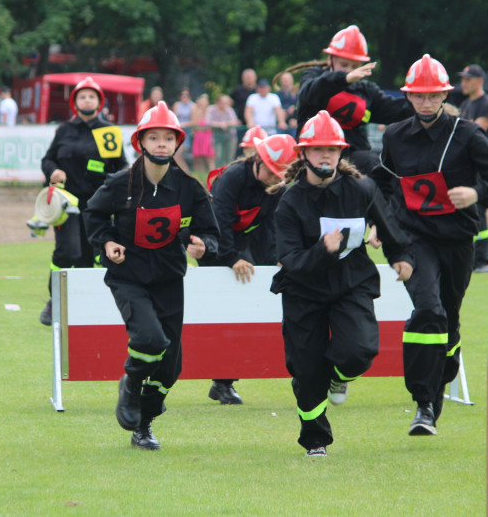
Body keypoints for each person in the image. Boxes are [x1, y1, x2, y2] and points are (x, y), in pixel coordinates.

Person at [373, 55, 488, 436]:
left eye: (432, 95)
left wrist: (477, 193)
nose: (425, 103)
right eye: (418, 96)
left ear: (444, 94)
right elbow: (383, 185)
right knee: (428, 310)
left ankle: (443, 372)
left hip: (456, 240)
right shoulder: (394, 136)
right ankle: (423, 403)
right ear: (408, 96)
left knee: (448, 321)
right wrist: (378, 223)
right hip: (413, 238)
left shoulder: (467, 134)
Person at [272, 110, 414, 456]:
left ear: (341, 152)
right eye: (318, 149)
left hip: (352, 283)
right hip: (302, 290)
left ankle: (339, 375)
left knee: (359, 351)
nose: (326, 156)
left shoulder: (361, 188)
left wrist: (401, 256)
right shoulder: (289, 202)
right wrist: (322, 250)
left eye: (332, 150)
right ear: (303, 153)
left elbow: (389, 223)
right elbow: (291, 261)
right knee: (306, 370)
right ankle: (315, 439)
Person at [82, 100, 220, 451]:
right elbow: (93, 215)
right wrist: (107, 242)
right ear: (140, 143)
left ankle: (144, 424)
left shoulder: (190, 187)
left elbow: (212, 233)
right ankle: (129, 383)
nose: (161, 144)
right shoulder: (119, 183)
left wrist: (205, 246)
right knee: (150, 339)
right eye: (154, 137)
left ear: (177, 143)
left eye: (168, 138)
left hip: (170, 278)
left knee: (171, 368)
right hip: (127, 277)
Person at [199, 132, 299, 406]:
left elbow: (271, 225)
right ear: (258, 159)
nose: (275, 178)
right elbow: (218, 221)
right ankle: (219, 379)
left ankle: (223, 382)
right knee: (222, 312)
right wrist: (232, 259)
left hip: (245, 244)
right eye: (272, 171)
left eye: (281, 174)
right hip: (214, 243)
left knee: (243, 311)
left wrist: (276, 259)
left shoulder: (276, 186)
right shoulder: (232, 178)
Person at [37, 77, 128, 326]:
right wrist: (53, 171)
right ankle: (54, 300)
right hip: (66, 205)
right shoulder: (64, 130)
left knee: (92, 256)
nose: (87, 100)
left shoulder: (107, 131)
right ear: (74, 102)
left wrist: (110, 188)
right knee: (67, 252)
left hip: (97, 206)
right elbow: (47, 160)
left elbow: (121, 168)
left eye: (91, 96)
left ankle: (88, 306)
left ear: (99, 102)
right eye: (82, 96)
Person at [292, 25, 413, 174]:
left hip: (352, 156)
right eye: (344, 65)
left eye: (355, 66)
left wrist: (426, 101)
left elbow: (397, 110)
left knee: (374, 165)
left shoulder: (367, 91)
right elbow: (310, 93)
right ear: (330, 60)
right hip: (314, 153)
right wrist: (343, 79)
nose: (350, 70)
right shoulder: (313, 77)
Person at [457, 65, 488, 273]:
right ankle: (471, 257)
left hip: (481, 165)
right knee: (469, 210)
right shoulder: (466, 103)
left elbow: (474, 133)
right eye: (463, 79)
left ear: (479, 81)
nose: (463, 83)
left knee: (479, 209)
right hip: (467, 165)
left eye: (468, 79)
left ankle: (482, 260)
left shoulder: (487, 104)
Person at [230, 69, 258, 156]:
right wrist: (234, 118)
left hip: (256, 125)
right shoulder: (237, 91)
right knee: (241, 147)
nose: (249, 78)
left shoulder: (259, 90)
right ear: (243, 78)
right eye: (247, 76)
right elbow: (228, 105)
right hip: (241, 125)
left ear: (255, 78)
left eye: (250, 76)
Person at [207, 94, 240, 168]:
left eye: (226, 102)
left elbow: (234, 122)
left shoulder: (229, 110)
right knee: (218, 156)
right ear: (218, 102)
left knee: (229, 157)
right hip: (216, 136)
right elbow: (208, 122)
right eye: (223, 102)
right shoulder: (211, 109)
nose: (225, 105)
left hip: (230, 136)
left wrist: (226, 124)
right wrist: (220, 124)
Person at [189, 93, 215, 174]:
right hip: (198, 136)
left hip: (207, 136)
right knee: (198, 157)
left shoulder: (210, 111)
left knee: (209, 157)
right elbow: (195, 124)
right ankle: (199, 175)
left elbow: (211, 124)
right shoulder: (196, 111)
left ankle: (212, 174)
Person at [172, 88, 195, 170]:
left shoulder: (193, 106)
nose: (184, 97)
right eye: (183, 95)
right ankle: (184, 171)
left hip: (187, 133)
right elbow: (174, 117)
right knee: (175, 155)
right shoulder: (177, 105)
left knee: (178, 154)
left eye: (186, 95)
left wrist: (183, 124)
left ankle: (186, 172)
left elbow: (194, 121)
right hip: (178, 132)